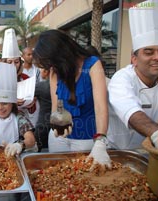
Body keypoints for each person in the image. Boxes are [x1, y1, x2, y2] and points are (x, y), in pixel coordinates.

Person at [33, 29, 110, 168]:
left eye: (51, 62)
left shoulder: (93, 65)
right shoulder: (54, 70)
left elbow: (100, 107)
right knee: (58, 175)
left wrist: (100, 140)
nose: (50, 68)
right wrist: (56, 121)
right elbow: (56, 106)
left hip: (86, 138)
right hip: (59, 138)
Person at [107, 1, 158, 150]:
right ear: (134, 59)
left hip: (150, 153)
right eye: (149, 52)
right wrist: (156, 134)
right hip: (118, 153)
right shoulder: (122, 79)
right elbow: (131, 111)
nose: (156, 57)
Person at [0, 62, 36, 157]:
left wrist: (19, 145)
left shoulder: (19, 117)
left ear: (12, 104)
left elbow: (31, 139)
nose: (0, 108)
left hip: (12, 157)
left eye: (5, 103)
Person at [34, 68, 51, 151]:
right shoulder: (65, 85)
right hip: (59, 126)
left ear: (45, 71)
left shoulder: (40, 86)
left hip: (43, 125)